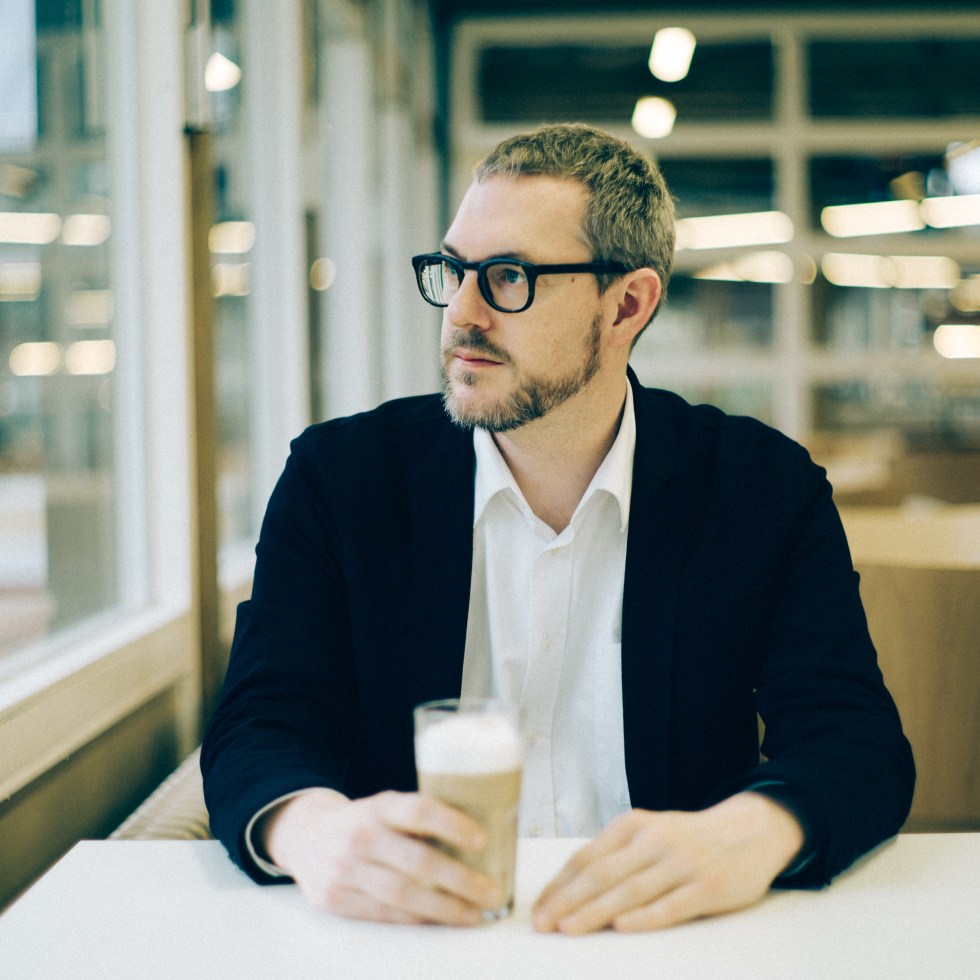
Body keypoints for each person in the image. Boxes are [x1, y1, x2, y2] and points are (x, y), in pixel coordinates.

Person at [201, 123, 914, 934]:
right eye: (453, 270)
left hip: (669, 936)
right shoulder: (341, 479)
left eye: (508, 277)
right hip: (411, 935)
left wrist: (751, 834)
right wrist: (314, 832)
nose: (462, 313)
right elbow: (259, 723)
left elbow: (854, 740)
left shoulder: (762, 490)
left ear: (627, 305)